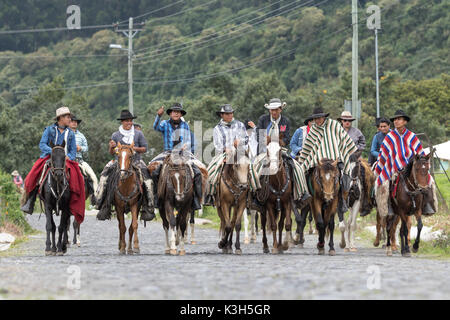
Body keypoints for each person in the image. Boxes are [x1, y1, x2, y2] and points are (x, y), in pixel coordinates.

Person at [21, 107, 85, 220]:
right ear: (60, 118)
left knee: (78, 177)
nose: (70, 119)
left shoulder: (70, 133)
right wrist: (54, 153)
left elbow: (73, 150)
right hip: (49, 157)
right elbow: (42, 144)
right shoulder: (49, 130)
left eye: (70, 117)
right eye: (67, 117)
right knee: (34, 174)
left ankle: (73, 203)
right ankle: (30, 201)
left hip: (65, 160)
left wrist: (66, 157)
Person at [95, 110, 155, 221]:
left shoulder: (138, 134)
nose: (129, 123)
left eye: (131, 121)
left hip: (136, 161)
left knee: (148, 181)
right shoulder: (116, 135)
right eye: (127, 121)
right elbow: (111, 152)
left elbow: (145, 148)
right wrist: (111, 147)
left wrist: (133, 149)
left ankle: (149, 206)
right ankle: (103, 204)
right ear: (122, 122)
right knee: (104, 177)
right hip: (119, 162)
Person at [374, 110, 437, 215]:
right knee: (384, 184)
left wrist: (423, 166)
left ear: (405, 122)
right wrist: (379, 170)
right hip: (394, 169)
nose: (396, 121)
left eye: (399, 119)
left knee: (429, 182)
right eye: (395, 120)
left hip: (412, 168)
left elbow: (421, 153)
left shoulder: (411, 136)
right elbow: (383, 155)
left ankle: (428, 206)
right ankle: (387, 207)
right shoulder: (390, 137)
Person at [298, 107, 358, 216]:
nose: (318, 120)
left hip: (335, 158)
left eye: (320, 118)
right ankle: (304, 196)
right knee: (304, 173)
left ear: (324, 117)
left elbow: (343, 138)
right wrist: (302, 160)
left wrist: (350, 152)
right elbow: (308, 146)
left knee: (345, 176)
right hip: (319, 160)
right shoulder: (313, 130)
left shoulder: (334, 125)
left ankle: (343, 201)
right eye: (315, 118)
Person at [254, 98, 311, 208]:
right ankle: (254, 197)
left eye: (276, 109)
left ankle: (301, 193)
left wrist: (280, 142)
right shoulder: (263, 119)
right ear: (269, 110)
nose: (274, 112)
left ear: (280, 109)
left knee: (297, 167)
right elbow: (258, 135)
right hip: (264, 151)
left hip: (280, 150)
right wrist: (265, 140)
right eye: (272, 110)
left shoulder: (285, 121)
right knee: (254, 169)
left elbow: (287, 138)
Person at [150, 103, 204, 211]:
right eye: (174, 112)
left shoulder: (185, 125)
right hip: (167, 153)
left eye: (178, 112)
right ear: (170, 113)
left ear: (180, 114)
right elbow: (155, 127)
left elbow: (188, 139)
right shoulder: (164, 124)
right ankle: (156, 198)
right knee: (155, 172)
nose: (176, 113)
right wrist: (158, 116)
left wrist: (186, 146)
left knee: (197, 172)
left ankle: (196, 200)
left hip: (182, 154)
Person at [203, 104, 259, 206]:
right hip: (224, 154)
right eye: (227, 114)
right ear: (222, 115)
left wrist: (240, 142)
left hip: (240, 153)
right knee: (211, 170)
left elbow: (246, 138)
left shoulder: (240, 125)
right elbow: (217, 144)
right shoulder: (217, 128)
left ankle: (255, 196)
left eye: (231, 113)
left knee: (252, 169)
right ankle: (209, 195)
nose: (230, 115)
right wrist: (225, 148)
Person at [69, 115, 98, 201]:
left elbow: (86, 148)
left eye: (76, 122)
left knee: (93, 177)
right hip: (66, 160)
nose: (74, 123)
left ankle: (94, 197)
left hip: (79, 160)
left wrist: (80, 148)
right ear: (68, 123)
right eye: (72, 121)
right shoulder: (64, 134)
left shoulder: (81, 136)